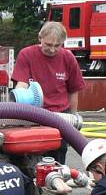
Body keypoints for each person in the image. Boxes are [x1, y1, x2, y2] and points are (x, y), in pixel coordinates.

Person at [11, 21, 85, 164]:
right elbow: (21, 84)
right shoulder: (27, 54)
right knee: (27, 159)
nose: (52, 49)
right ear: (40, 38)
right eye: (48, 45)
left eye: (57, 46)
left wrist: (73, 120)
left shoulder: (68, 58)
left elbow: (73, 90)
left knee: (57, 160)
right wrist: (18, 101)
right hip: (33, 117)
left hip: (59, 117)